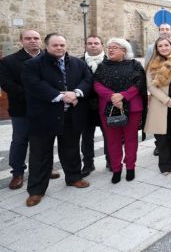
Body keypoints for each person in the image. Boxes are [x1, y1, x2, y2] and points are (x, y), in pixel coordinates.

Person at [21, 33, 93, 207]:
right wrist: (61, 96)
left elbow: (88, 80)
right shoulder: (32, 64)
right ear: (47, 46)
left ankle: (74, 177)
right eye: (55, 45)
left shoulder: (78, 63)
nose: (59, 48)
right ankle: (36, 190)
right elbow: (33, 84)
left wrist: (76, 93)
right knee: (40, 155)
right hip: (43, 117)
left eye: (62, 45)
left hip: (71, 116)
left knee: (71, 149)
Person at [0, 30, 60, 190]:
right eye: (28, 38)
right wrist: (37, 94)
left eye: (36, 38)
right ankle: (18, 173)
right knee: (20, 141)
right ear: (21, 41)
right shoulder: (9, 61)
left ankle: (46, 168)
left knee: (45, 140)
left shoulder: (51, 59)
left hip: (47, 108)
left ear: (41, 41)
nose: (33, 41)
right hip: (22, 109)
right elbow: (7, 85)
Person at [94, 38, 147, 184]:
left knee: (131, 140)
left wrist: (123, 95)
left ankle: (130, 167)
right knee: (112, 141)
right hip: (108, 108)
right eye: (109, 47)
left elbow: (140, 83)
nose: (110, 50)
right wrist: (111, 96)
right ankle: (116, 169)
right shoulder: (102, 66)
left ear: (124, 50)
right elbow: (96, 83)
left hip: (132, 108)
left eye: (115, 47)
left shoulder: (135, 65)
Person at [145, 37, 171, 175]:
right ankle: (164, 165)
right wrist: (166, 100)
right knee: (161, 137)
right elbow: (150, 85)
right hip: (159, 104)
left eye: (166, 45)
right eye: (160, 46)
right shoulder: (152, 64)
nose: (164, 48)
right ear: (157, 48)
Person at [80, 34, 107, 176]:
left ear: (102, 45)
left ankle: (110, 160)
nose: (93, 45)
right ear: (85, 46)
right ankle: (88, 164)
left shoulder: (110, 61)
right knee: (86, 137)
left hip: (106, 105)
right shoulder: (77, 62)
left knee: (109, 135)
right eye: (90, 43)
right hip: (85, 106)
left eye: (96, 43)